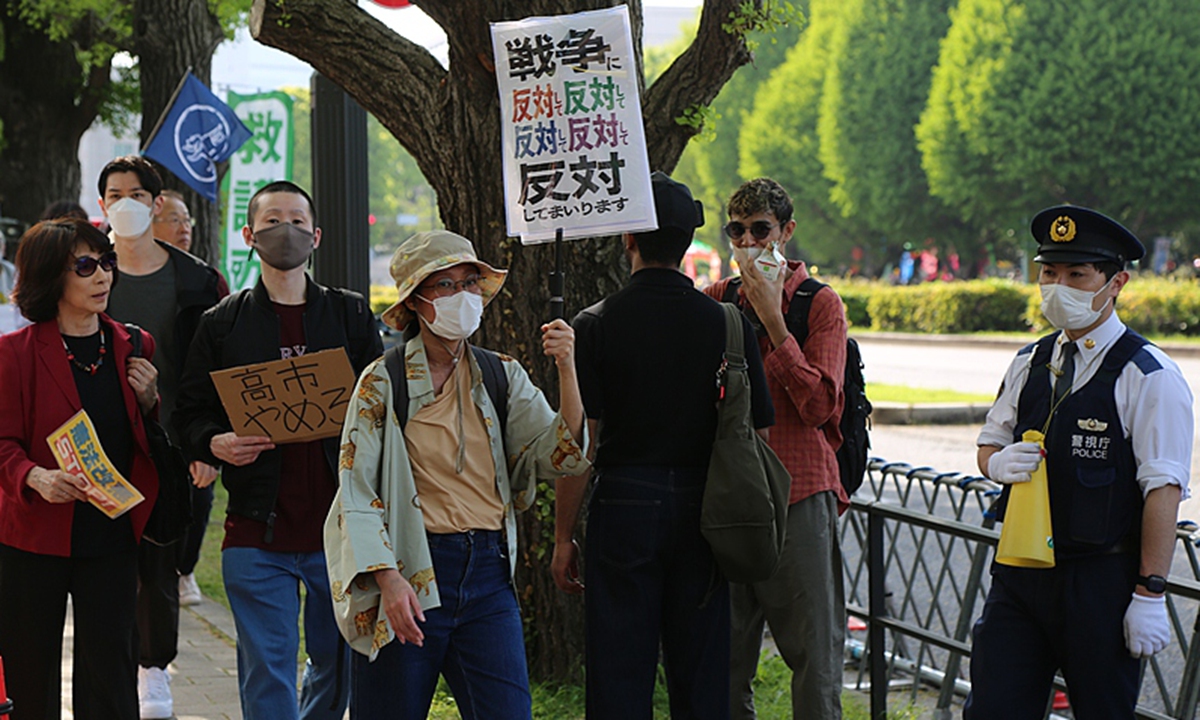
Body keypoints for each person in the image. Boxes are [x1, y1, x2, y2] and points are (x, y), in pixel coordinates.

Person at [325, 230, 589, 719]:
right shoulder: (383, 380)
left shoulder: (500, 374)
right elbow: (355, 490)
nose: (462, 296)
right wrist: (388, 580)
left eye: (469, 283)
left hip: (488, 573)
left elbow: (561, 455)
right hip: (412, 571)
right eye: (444, 286)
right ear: (415, 304)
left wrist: (568, 369)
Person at [552, 172, 774, 719]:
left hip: (624, 504)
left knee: (618, 672)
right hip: (706, 507)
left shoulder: (594, 325)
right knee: (702, 672)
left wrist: (563, 536)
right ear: (686, 244)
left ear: (628, 239)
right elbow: (757, 432)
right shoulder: (728, 323)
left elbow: (581, 443)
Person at [964, 206, 1194, 719]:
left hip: (1101, 579)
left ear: (1115, 282)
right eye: (1049, 273)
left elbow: (1164, 489)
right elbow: (989, 442)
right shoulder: (1029, 361)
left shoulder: (1148, 375)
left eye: (1076, 274)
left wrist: (1151, 591)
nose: (1057, 286)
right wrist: (996, 464)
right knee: (993, 709)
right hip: (1021, 574)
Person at [174, 180, 382, 720]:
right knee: (267, 667)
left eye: (295, 220)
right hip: (254, 531)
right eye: (271, 221)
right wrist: (215, 442)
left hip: (339, 534)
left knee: (336, 666)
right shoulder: (221, 324)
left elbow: (384, 405)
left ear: (315, 236)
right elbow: (189, 413)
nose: (283, 231)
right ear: (249, 235)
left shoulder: (351, 316)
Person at [0, 218, 160, 720]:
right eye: (86, 266)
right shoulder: (13, 355)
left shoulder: (135, 347)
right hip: (32, 539)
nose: (102, 276)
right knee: (31, 675)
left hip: (111, 534)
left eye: (106, 262)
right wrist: (35, 476)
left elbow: (141, 437)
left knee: (111, 674)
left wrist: (150, 399)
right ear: (52, 276)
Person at [704, 177, 848, 719]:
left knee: (815, 660)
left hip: (801, 494)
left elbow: (820, 408)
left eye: (760, 230)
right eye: (737, 232)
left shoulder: (819, 304)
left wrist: (772, 319)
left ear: (786, 232)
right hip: (732, 498)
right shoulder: (717, 301)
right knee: (725, 657)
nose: (748, 243)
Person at [97, 155, 227, 718]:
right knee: (101, 564)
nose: (125, 202)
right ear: (101, 202)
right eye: (114, 193)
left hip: (170, 444)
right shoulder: (82, 268)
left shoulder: (196, 279)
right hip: (93, 444)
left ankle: (154, 670)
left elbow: (216, 364)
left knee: (160, 560)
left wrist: (205, 444)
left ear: (155, 202)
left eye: (136, 194)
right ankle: (111, 668)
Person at [146, 186, 228, 607]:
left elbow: (221, 363)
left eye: (187, 221)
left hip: (189, 419)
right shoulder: (112, 276)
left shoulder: (204, 282)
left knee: (197, 496)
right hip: (140, 423)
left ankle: (185, 570)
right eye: (174, 219)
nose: (184, 228)